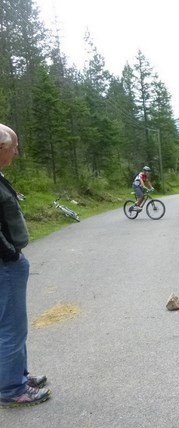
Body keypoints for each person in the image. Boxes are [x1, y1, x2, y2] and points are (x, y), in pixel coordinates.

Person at [0, 124, 51, 408]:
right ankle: (11, 389)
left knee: (11, 325)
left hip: (8, 264)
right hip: (5, 266)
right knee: (11, 327)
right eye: (13, 147)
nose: (17, 152)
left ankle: (17, 375)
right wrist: (11, 255)